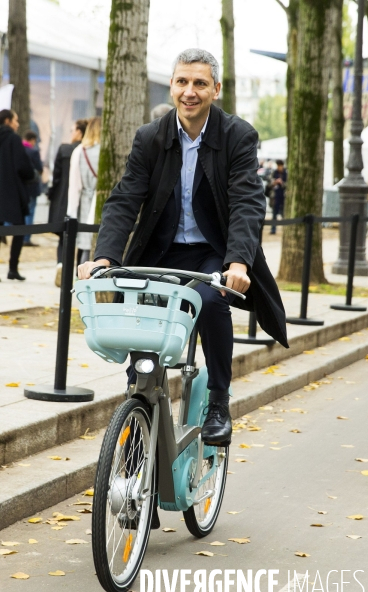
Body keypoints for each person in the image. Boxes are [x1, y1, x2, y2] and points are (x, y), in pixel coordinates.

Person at [78, 48, 288, 449]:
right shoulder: (150, 137)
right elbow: (125, 200)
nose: (189, 91)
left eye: (199, 83)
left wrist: (239, 262)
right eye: (182, 82)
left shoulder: (237, 135)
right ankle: (139, 403)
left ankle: (219, 401)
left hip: (213, 250)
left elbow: (247, 200)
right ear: (172, 85)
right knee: (140, 312)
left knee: (210, 301)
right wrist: (105, 256)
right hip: (159, 251)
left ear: (215, 89)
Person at [48, 119, 88, 286]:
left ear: (79, 132)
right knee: (81, 239)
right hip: (83, 200)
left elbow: (56, 177)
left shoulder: (64, 149)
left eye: (72, 130)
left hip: (63, 198)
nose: (71, 133)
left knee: (63, 238)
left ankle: (61, 264)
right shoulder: (87, 151)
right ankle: (78, 272)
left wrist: (51, 194)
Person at [0, 109, 34, 281]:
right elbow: (23, 166)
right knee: (19, 228)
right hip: (11, 192)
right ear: (7, 121)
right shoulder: (13, 139)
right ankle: (13, 268)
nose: (17, 124)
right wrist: (30, 176)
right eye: (15, 120)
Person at [67, 116, 101, 264]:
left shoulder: (80, 151)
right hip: (104, 202)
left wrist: (71, 212)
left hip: (85, 202)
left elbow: (75, 186)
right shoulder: (108, 151)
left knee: (85, 247)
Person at [22, 130, 43, 247]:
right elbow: (39, 168)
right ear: (32, 140)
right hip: (32, 186)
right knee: (30, 212)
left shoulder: (18, 149)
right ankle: (26, 238)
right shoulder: (33, 151)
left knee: (23, 212)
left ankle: (20, 235)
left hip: (22, 187)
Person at [270, 159, 287, 234]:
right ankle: (273, 229)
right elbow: (269, 183)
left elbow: (288, 185)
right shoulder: (274, 173)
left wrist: (282, 183)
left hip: (283, 196)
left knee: (284, 214)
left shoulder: (286, 174)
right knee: (274, 214)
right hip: (275, 196)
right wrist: (275, 182)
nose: (279, 167)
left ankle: (286, 230)